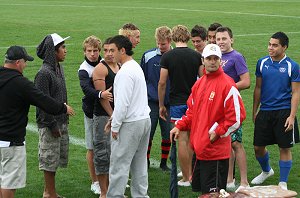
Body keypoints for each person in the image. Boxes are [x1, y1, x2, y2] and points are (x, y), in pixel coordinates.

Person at [170, 44, 246, 194]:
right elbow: (191, 112)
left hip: (215, 153)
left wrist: (218, 131)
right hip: (199, 150)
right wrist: (180, 125)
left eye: (215, 58)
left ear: (220, 60)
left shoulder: (227, 85)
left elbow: (236, 117)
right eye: (209, 58)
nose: (212, 61)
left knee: (213, 195)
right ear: (203, 60)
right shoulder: (199, 84)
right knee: (203, 192)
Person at [0, 46, 74, 198]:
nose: (26, 65)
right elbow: (44, 101)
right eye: (25, 62)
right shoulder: (21, 83)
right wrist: (63, 108)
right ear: (18, 62)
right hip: (11, 142)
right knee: (9, 183)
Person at [251, 32, 300, 190]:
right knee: (258, 147)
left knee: (284, 147)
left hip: (284, 112)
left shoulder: (293, 66)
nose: (270, 47)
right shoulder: (262, 62)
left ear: (284, 47)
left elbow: (296, 93)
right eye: (269, 44)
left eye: (274, 45)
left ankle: (283, 182)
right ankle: (267, 171)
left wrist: (292, 116)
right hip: (265, 111)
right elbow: (258, 88)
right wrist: (254, 110)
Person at [106, 35, 151, 198]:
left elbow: (123, 104)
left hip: (130, 124)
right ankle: (140, 195)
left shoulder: (124, 72)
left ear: (122, 50)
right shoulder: (135, 66)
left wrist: (115, 126)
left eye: (112, 50)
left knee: (119, 164)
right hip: (144, 119)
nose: (109, 54)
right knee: (139, 165)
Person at [158, 25, 202, 186]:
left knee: (182, 140)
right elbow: (203, 79)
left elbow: (162, 83)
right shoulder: (196, 56)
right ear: (188, 37)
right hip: (194, 103)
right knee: (193, 139)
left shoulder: (168, 57)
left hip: (176, 103)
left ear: (173, 38)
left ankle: (186, 176)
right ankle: (194, 174)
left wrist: (162, 104)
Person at [35, 33, 73, 198]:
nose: (65, 50)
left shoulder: (58, 68)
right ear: (53, 51)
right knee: (49, 161)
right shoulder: (44, 73)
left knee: (55, 160)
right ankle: (49, 194)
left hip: (60, 121)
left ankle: (51, 192)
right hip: (51, 125)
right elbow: (42, 103)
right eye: (62, 47)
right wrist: (52, 125)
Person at [216, 26, 250, 190]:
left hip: (232, 107)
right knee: (225, 142)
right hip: (218, 107)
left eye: (224, 39)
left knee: (236, 143)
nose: (221, 42)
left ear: (231, 39)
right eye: (218, 39)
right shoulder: (215, 56)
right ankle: (229, 179)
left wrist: (228, 89)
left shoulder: (236, 57)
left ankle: (244, 181)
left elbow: (246, 81)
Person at [78, 35, 111, 195]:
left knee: (108, 146)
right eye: (89, 51)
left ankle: (108, 179)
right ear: (84, 52)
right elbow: (86, 89)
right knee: (92, 147)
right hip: (92, 113)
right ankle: (95, 181)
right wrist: (100, 95)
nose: (93, 54)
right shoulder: (84, 69)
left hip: (106, 113)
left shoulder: (104, 63)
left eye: (96, 50)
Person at [140, 26, 172, 171]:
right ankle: (145, 161)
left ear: (170, 41)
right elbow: (142, 78)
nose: (160, 46)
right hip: (151, 102)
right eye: (158, 43)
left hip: (170, 103)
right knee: (148, 133)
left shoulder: (175, 56)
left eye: (163, 44)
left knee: (168, 134)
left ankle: (164, 163)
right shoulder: (148, 56)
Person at [92, 37, 119, 198]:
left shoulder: (120, 66)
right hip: (104, 116)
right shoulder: (100, 69)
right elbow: (102, 98)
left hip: (116, 116)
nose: (109, 54)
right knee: (102, 154)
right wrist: (112, 115)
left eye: (112, 50)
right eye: (106, 50)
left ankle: (112, 190)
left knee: (115, 154)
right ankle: (104, 192)